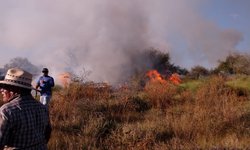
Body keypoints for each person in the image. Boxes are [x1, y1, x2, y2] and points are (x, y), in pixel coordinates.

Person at [0, 68, 51, 149]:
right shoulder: (42, 108)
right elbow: (47, 134)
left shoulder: (7, 110)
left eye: (4, 87)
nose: (1, 90)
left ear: (15, 89)